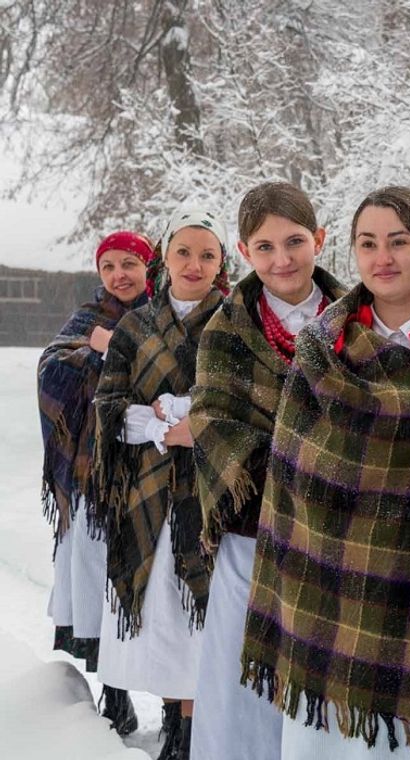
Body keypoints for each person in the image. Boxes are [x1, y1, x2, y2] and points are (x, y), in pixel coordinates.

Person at [241, 186, 410, 759]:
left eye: (400, 242)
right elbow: (293, 471)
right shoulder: (321, 346)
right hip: (333, 581)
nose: (384, 258)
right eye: (368, 243)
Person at [188, 182, 347, 760]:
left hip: (337, 526)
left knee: (324, 670)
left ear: (320, 239)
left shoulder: (356, 318)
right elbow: (212, 420)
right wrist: (286, 471)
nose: (282, 259)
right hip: (254, 528)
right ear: (243, 251)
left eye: (295, 241)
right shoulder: (225, 330)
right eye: (264, 246)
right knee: (247, 672)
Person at [92, 210, 230, 760]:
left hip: (218, 491)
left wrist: (194, 415)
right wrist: (157, 428)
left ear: (222, 264)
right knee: (166, 614)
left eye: (208, 255)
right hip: (147, 491)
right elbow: (110, 405)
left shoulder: (236, 319)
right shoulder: (135, 326)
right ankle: (177, 727)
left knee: (208, 612)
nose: (194, 265)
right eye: (184, 253)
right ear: (164, 259)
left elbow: (250, 397)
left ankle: (201, 729)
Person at [38, 230, 153, 736]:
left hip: (153, 472)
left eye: (129, 263)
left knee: (156, 585)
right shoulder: (88, 320)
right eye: (109, 266)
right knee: (98, 580)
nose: (119, 275)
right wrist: (99, 352)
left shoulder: (170, 314)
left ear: (150, 267)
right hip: (94, 481)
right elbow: (51, 369)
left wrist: (125, 348)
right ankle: (115, 692)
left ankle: (178, 706)